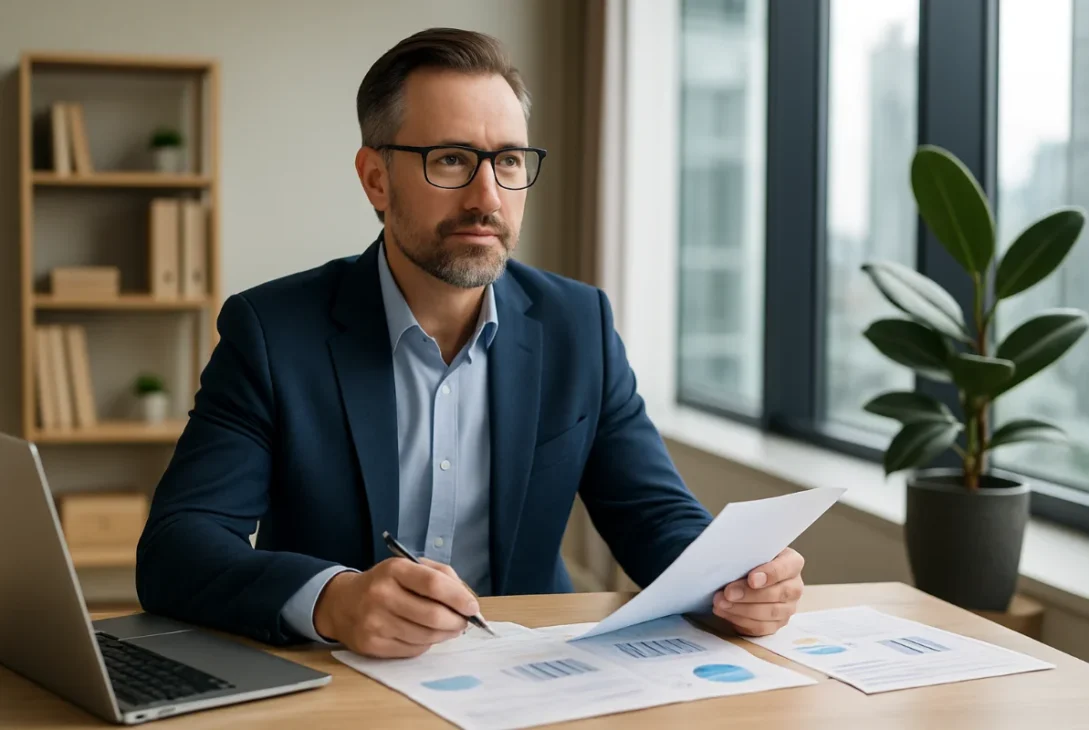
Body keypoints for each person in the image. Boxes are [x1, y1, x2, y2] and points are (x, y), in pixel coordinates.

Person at [135, 27, 805, 659]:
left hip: (531, 677)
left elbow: (654, 516)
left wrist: (735, 581)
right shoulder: (274, 330)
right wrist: (333, 601)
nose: (487, 195)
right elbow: (178, 548)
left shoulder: (577, 325)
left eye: (508, 161)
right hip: (344, 682)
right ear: (375, 178)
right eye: (450, 160)